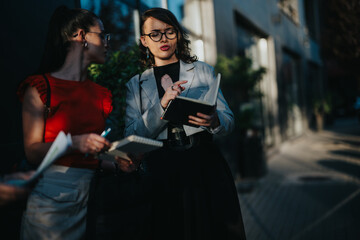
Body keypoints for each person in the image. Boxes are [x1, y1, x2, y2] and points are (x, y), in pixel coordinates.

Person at [16, 5, 139, 239]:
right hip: (52, 205)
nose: (107, 42)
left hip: (95, 200)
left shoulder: (100, 94)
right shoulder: (41, 87)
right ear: (81, 36)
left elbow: (91, 159)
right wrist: (75, 142)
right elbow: (32, 152)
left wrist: (118, 165)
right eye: (102, 35)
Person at [124, 7, 247, 240]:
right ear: (143, 41)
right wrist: (161, 106)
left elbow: (229, 122)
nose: (163, 39)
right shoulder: (136, 84)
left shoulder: (202, 72)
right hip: (162, 172)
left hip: (205, 164)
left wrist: (215, 121)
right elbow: (131, 135)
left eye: (169, 32)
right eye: (155, 34)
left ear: (178, 35)